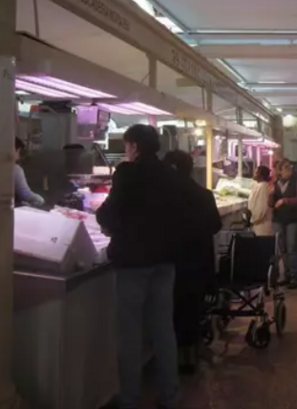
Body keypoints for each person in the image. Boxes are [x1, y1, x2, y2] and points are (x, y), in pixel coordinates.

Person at [96, 125, 187, 409]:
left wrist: (109, 224)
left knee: (130, 332)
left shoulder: (127, 172)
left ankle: (130, 399)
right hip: (165, 259)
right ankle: (170, 394)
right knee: (163, 328)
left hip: (134, 260)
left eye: (126, 145)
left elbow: (110, 210)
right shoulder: (171, 175)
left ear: (133, 146)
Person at [163, 150, 222, 375]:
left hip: (171, 259)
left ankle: (175, 357)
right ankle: (190, 356)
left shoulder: (164, 197)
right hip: (198, 259)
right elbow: (215, 225)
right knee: (192, 308)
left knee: (173, 310)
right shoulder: (204, 194)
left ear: (173, 168)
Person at [270, 160, 297, 289]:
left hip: (294, 219)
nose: (287, 170)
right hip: (279, 219)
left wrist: (286, 200)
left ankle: (295, 277)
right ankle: (286, 275)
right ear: (279, 171)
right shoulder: (275, 184)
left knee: (292, 248)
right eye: (284, 168)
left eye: (288, 167)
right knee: (282, 248)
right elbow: (271, 204)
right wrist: (271, 195)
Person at [14, 138, 44, 207]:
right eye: (18, 152)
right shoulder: (14, 169)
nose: (18, 156)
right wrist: (39, 200)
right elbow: (25, 194)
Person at [248, 165, 274, 236]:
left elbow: (262, 207)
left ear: (261, 175)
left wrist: (253, 219)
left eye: (256, 172)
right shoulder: (259, 185)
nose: (254, 174)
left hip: (262, 224)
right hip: (258, 224)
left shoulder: (263, 187)